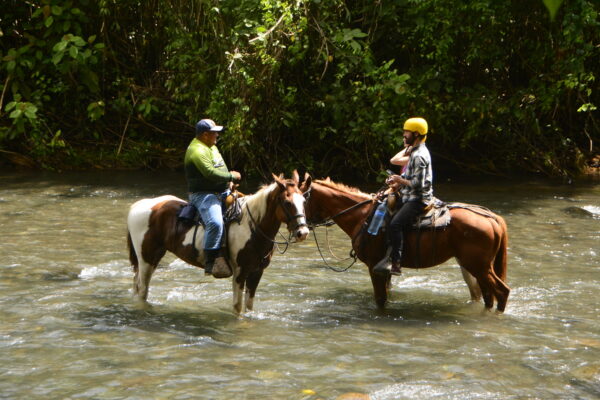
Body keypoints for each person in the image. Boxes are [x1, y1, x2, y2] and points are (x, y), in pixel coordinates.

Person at [374, 117, 433, 276]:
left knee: (395, 224)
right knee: (386, 211)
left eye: (406, 132)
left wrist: (400, 180)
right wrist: (396, 182)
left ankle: (396, 263)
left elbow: (418, 184)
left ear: (416, 134)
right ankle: (387, 254)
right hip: (408, 195)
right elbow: (409, 174)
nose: (404, 135)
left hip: (417, 199)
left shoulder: (419, 155)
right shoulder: (414, 152)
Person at [184, 118, 241, 276]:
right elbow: (210, 173)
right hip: (204, 194)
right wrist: (231, 176)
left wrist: (228, 183)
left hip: (222, 191)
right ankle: (211, 260)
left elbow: (220, 166)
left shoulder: (212, 147)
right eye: (214, 132)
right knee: (215, 223)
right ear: (204, 135)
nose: (217, 135)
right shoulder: (197, 151)